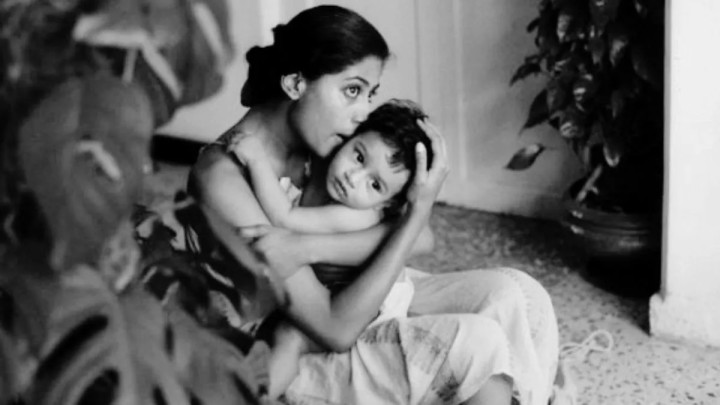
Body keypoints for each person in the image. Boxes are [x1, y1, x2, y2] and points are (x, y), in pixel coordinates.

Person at [187, 5, 559, 405]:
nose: (363, 112)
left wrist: (307, 246)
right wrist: (410, 217)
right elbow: (334, 327)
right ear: (296, 83)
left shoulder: (326, 141)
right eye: (352, 90)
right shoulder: (224, 177)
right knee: (478, 344)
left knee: (517, 294)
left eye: (370, 94)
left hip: (357, 296)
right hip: (295, 341)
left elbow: (420, 237)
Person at [227, 98, 434, 397]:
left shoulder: (356, 215)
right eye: (359, 156)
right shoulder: (327, 172)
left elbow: (286, 218)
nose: (353, 177)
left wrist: (257, 160)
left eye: (375, 185)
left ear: (388, 203)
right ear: (350, 139)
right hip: (332, 289)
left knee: (289, 336)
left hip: (366, 306)